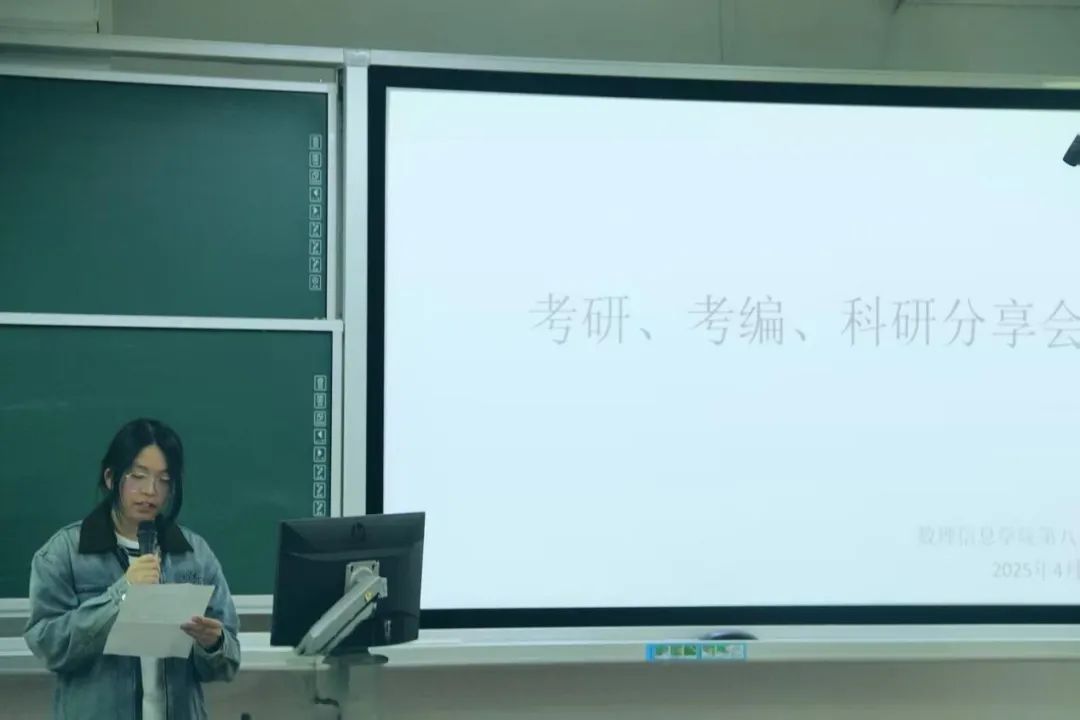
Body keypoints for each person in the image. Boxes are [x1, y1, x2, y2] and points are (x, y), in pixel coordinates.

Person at [25, 418, 241, 719]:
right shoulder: (64, 553)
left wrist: (214, 643)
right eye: (138, 476)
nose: (150, 491)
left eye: (164, 480)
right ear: (111, 478)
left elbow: (228, 662)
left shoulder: (194, 554)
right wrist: (121, 594)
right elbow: (49, 646)